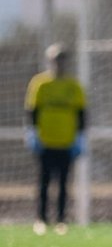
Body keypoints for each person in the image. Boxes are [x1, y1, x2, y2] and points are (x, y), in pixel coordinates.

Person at [25, 44, 88, 235]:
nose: (58, 63)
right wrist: (33, 133)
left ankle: (61, 220)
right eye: (55, 59)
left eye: (61, 59)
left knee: (63, 183)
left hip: (66, 142)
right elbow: (32, 111)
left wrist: (80, 138)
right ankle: (41, 219)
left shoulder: (73, 86)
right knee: (43, 182)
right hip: (45, 141)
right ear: (49, 61)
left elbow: (81, 113)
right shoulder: (40, 84)